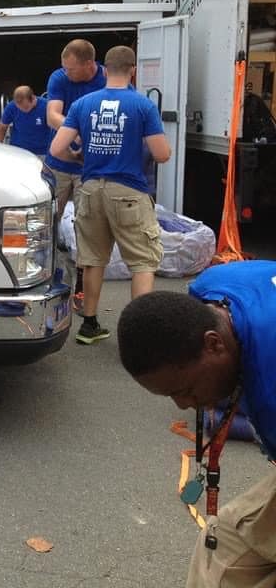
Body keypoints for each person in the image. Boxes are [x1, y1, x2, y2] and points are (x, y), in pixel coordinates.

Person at [117, 260, 276, 588]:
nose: (184, 404)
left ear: (214, 344)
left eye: (186, 390)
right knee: (226, 543)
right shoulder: (213, 287)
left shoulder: (269, 392)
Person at [50, 45, 170, 344]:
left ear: (106, 69)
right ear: (132, 70)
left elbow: (56, 149)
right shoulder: (143, 106)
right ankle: (139, 336)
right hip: (128, 191)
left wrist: (81, 158)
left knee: (92, 259)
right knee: (142, 262)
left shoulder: (83, 104)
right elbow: (162, 154)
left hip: (91, 190)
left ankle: (89, 325)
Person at [44, 39, 107, 310]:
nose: (65, 72)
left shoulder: (106, 80)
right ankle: (43, 276)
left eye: (70, 69)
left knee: (86, 225)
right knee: (46, 220)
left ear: (88, 65)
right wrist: (77, 130)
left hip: (88, 169)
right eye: (64, 68)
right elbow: (52, 115)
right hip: (59, 163)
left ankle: (81, 288)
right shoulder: (59, 78)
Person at [0, 85, 52, 158]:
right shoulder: (12, 107)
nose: (23, 110)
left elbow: (57, 128)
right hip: (18, 151)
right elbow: (1, 127)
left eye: (26, 107)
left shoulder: (47, 106)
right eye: (19, 108)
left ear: (33, 98)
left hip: (42, 152)